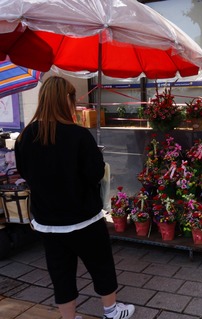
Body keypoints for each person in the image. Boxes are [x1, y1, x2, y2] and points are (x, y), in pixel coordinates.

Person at [14, 76, 135, 319]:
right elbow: (95, 174)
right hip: (83, 219)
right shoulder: (78, 136)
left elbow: (25, 173)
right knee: (100, 264)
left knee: (60, 272)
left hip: (48, 222)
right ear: (66, 101)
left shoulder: (25, 137)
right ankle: (111, 311)